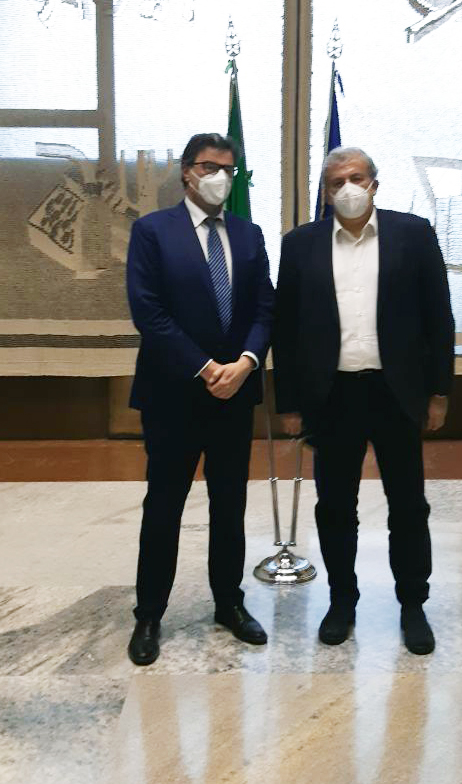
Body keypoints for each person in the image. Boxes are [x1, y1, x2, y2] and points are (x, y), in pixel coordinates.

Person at [273, 146, 454, 654]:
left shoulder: (413, 234)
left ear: (375, 183)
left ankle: (413, 604)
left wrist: (439, 392)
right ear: (326, 192)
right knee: (335, 507)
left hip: (397, 392)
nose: (348, 188)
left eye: (356, 178)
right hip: (332, 395)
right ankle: (341, 601)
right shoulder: (300, 245)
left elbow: (439, 316)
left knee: (408, 505)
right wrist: (289, 403)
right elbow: (286, 329)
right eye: (337, 182)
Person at [126, 132, 274, 665]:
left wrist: (246, 362)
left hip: (235, 393)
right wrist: (206, 367)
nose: (220, 178)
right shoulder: (152, 231)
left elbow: (265, 308)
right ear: (187, 171)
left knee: (230, 505)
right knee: (164, 505)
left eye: (228, 169)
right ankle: (149, 614)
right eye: (211, 167)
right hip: (173, 395)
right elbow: (148, 312)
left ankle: (228, 603)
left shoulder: (249, 234)